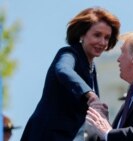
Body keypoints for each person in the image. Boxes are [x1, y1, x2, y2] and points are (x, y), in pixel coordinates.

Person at [20, 7, 120, 141]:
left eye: (107, 37)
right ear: (82, 34)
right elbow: (63, 70)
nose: (102, 42)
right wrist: (90, 94)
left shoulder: (92, 67)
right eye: (97, 35)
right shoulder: (69, 53)